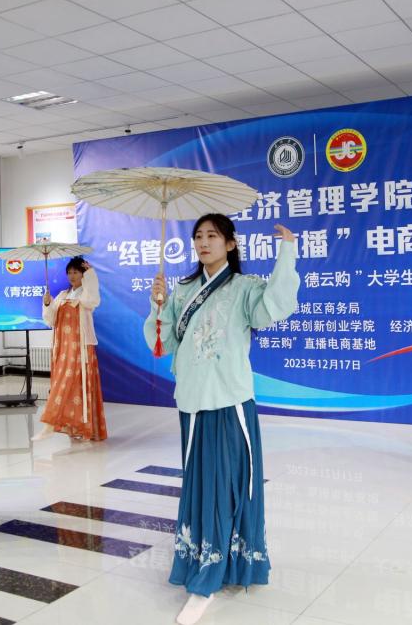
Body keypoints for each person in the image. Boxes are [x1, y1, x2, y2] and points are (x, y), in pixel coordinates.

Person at [144, 214, 299, 625]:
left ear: (230, 244)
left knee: (227, 485)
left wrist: (287, 252)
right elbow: (163, 344)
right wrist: (157, 306)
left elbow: (274, 308)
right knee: (200, 486)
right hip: (192, 402)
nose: (203, 242)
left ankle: (209, 579)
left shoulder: (245, 288)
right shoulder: (182, 290)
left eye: (212, 235)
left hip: (229, 400)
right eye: (198, 236)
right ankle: (204, 559)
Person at [33, 256, 107, 442]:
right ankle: (74, 428)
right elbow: (50, 320)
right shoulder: (62, 296)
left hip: (81, 348)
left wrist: (90, 273)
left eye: (76, 272)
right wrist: (48, 303)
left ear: (83, 275)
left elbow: (92, 300)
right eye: (69, 272)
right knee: (64, 385)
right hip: (63, 348)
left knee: (76, 386)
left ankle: (51, 425)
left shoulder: (86, 295)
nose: (72, 276)